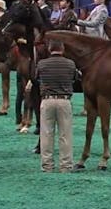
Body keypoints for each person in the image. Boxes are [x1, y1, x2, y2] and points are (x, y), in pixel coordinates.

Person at [29, 40, 77, 172]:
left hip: (47, 100)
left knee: (46, 134)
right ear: (63, 49)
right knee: (65, 134)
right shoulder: (70, 64)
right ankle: (66, 165)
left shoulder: (42, 64)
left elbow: (36, 78)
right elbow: (75, 78)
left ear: (50, 49)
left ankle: (47, 165)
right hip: (64, 100)